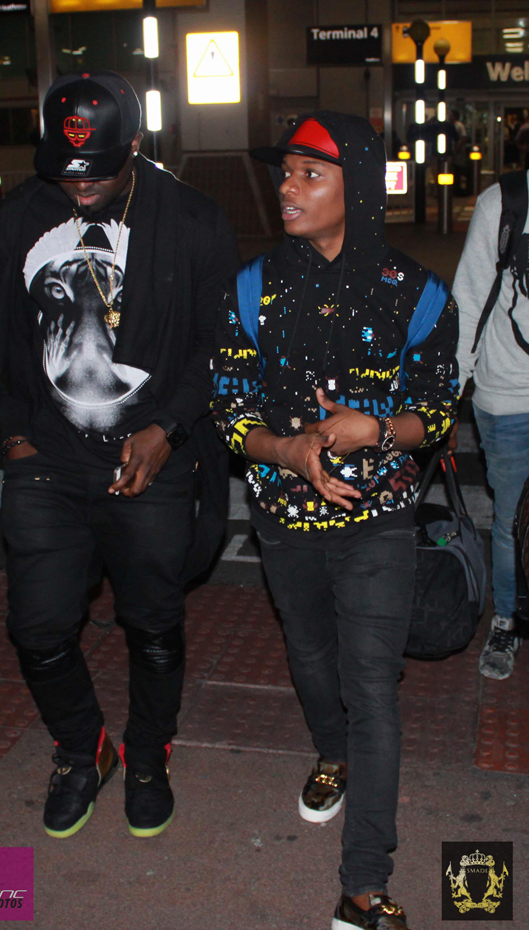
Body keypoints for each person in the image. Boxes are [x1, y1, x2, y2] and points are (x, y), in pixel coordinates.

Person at [0, 72, 239, 839]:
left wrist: (169, 430)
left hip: (148, 464)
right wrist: (16, 437)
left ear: (137, 146)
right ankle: (81, 746)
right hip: (47, 462)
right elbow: (7, 336)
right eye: (66, 173)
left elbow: (219, 347)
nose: (80, 188)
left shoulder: (191, 220)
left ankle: (149, 752)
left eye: (97, 173)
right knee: (37, 627)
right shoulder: (24, 214)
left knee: (151, 624)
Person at [212, 112, 458, 930]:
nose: (288, 187)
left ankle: (362, 885)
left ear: (358, 187)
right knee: (311, 654)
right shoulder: (250, 288)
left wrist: (376, 430)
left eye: (309, 173)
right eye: (285, 171)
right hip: (283, 517)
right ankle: (333, 752)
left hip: (380, 517)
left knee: (372, 685)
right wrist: (286, 451)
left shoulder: (417, 293)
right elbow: (230, 407)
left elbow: (437, 409)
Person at [452, 170, 528, 679]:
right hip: (508, 396)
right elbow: (469, 301)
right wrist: (447, 397)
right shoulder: (506, 203)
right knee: (510, 521)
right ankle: (507, 618)